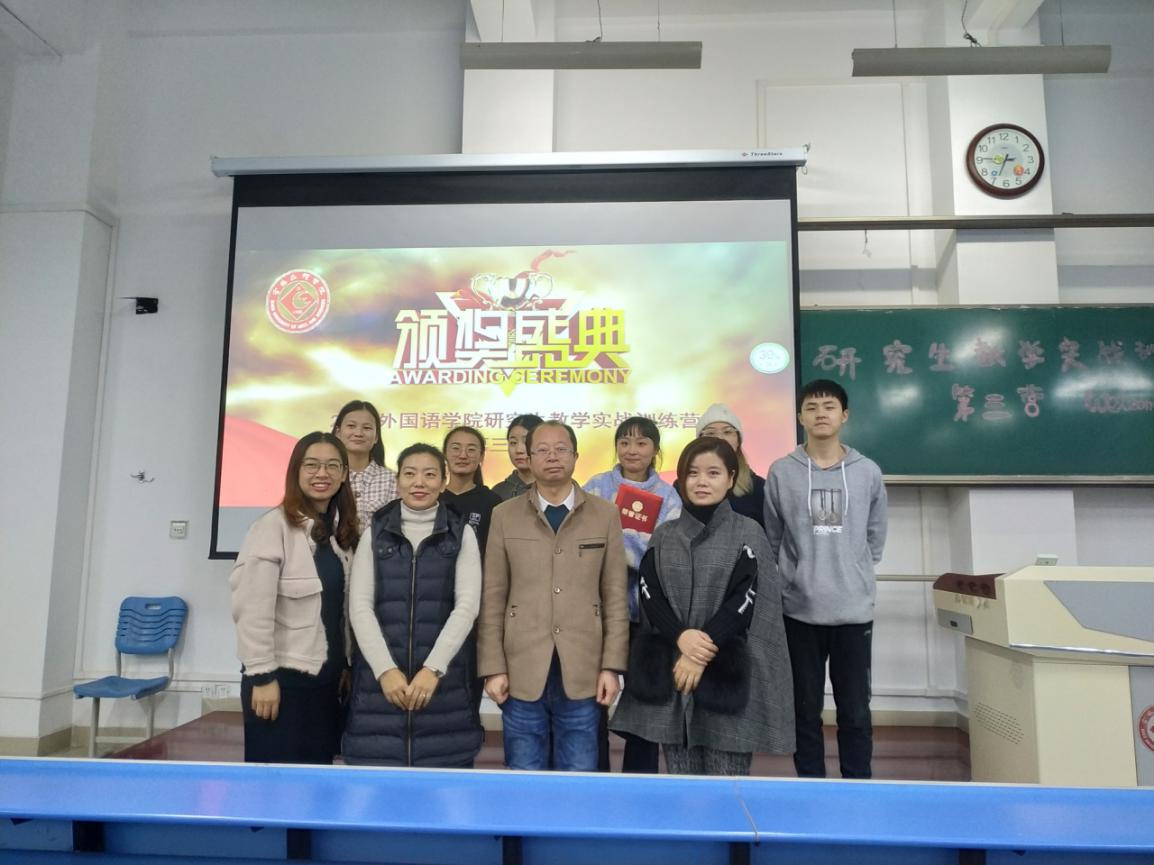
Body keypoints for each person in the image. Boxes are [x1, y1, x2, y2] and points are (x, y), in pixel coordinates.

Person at [611, 436, 794, 776]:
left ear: (730, 477)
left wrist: (698, 652)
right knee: (683, 783)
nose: (702, 482)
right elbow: (650, 592)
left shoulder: (748, 532)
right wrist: (681, 637)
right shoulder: (665, 534)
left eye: (713, 473)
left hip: (727, 671)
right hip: (675, 672)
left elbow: (746, 598)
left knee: (727, 785)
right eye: (693, 473)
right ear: (681, 479)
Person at [478, 421, 629, 771]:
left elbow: (615, 597)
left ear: (576, 456)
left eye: (561, 449)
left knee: (579, 775)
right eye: (542, 450)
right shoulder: (504, 515)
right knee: (524, 774)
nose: (552, 456)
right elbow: (493, 597)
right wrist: (492, 668)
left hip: (584, 669)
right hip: (521, 669)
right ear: (528, 458)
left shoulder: (605, 514)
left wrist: (611, 667)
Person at [764, 378, 888, 779]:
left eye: (829, 406)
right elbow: (773, 536)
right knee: (804, 709)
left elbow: (875, 537)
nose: (821, 413)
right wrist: (794, 578)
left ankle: (858, 785)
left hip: (853, 611)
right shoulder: (782, 472)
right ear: (800, 416)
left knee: (855, 711)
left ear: (844, 415)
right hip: (799, 610)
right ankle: (810, 786)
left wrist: (852, 572)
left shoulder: (867, 472)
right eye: (812, 407)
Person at [342, 444, 484, 767]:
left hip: (443, 689)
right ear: (397, 481)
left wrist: (432, 670)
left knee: (444, 787)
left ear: (443, 483)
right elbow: (360, 607)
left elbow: (467, 607)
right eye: (409, 473)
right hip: (379, 690)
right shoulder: (375, 532)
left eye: (430, 474)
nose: (419, 482)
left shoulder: (461, 533)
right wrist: (385, 670)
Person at [229, 431, 358, 764]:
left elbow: (339, 612)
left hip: (327, 686)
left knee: (316, 781)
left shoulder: (340, 534)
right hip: (280, 685)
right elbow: (252, 609)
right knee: (274, 785)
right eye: (311, 465)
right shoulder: (272, 527)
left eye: (332, 466)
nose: (322, 474)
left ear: (344, 474)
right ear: (296, 471)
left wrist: (345, 664)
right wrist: (262, 677)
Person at [583, 416, 682, 773]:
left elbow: (665, 556)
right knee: (592, 703)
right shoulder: (595, 487)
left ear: (655, 450)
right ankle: (595, 776)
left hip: (646, 617)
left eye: (641, 443)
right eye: (624, 442)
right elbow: (581, 544)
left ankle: (641, 781)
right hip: (598, 615)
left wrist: (623, 550)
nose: (632, 450)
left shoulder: (669, 496)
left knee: (645, 707)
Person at [332, 399, 398, 532]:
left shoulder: (393, 481)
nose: (358, 433)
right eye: (351, 426)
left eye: (367, 428)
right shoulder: (327, 476)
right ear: (338, 432)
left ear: (376, 437)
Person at [697, 404, 765, 527]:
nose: (720, 438)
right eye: (710, 433)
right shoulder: (685, 486)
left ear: (738, 440)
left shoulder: (759, 487)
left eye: (727, 432)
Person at [440, 425, 503, 556]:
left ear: (481, 456)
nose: (463, 455)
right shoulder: (433, 498)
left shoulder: (493, 502)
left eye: (471, 449)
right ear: (444, 453)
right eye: (456, 448)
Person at [492, 414, 544, 501]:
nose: (519, 450)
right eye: (513, 443)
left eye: (526, 442)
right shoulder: (498, 492)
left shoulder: (557, 488)